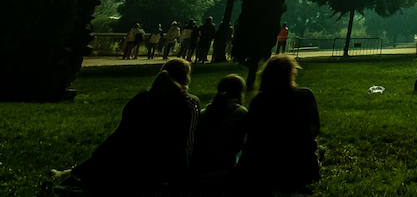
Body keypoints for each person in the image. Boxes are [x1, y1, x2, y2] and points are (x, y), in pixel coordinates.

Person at [58, 58, 201, 193]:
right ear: (186, 78)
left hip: (124, 166)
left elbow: (120, 136)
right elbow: (185, 145)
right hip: (157, 172)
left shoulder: (140, 100)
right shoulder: (188, 103)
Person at [236, 55, 321, 192]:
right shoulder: (305, 96)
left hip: (265, 167)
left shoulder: (259, 101)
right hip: (300, 166)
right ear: (290, 73)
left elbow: (253, 135)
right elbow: (314, 129)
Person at [191, 74, 249, 182]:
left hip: (199, 168)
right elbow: (240, 145)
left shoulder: (203, 113)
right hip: (226, 169)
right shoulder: (241, 114)